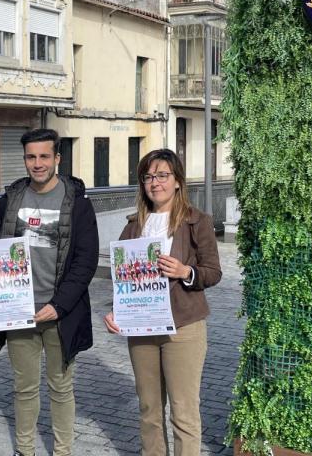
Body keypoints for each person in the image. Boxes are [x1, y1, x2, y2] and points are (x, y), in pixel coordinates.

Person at [0, 128, 98, 456]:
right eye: (31, 157)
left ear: (57, 159)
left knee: (61, 388)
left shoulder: (77, 203)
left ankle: (63, 451)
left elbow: (85, 261)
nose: (37, 163)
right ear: (25, 159)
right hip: (18, 309)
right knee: (24, 388)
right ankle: (25, 450)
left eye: (44, 156)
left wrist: (59, 306)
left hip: (60, 313)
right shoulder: (12, 198)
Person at [103, 148, 223, 456]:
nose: (155, 183)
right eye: (148, 177)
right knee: (149, 410)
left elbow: (213, 272)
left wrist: (186, 272)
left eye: (162, 176)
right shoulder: (133, 226)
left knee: (183, 413)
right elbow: (124, 279)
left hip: (183, 327)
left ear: (178, 181)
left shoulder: (198, 222)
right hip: (142, 326)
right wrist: (116, 310)